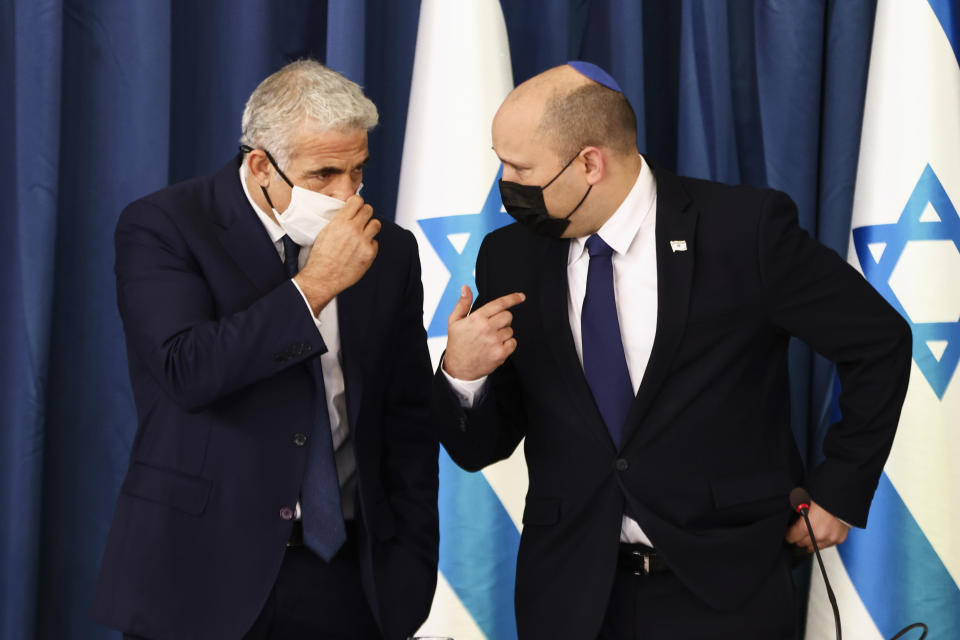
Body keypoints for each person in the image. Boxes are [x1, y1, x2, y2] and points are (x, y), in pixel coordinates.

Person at [433, 62, 912, 639]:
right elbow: (481, 446)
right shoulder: (510, 256)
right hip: (571, 596)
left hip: (724, 592)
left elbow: (879, 341)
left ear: (590, 163)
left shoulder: (745, 229)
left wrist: (840, 489)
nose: (504, 183)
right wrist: (462, 375)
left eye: (519, 167)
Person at [93, 60, 438, 640]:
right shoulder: (165, 226)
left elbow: (403, 418)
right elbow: (188, 370)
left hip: (347, 575)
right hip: (200, 575)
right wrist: (315, 287)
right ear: (261, 166)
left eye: (358, 171)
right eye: (325, 174)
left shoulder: (389, 250)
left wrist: (409, 563)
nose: (347, 195)